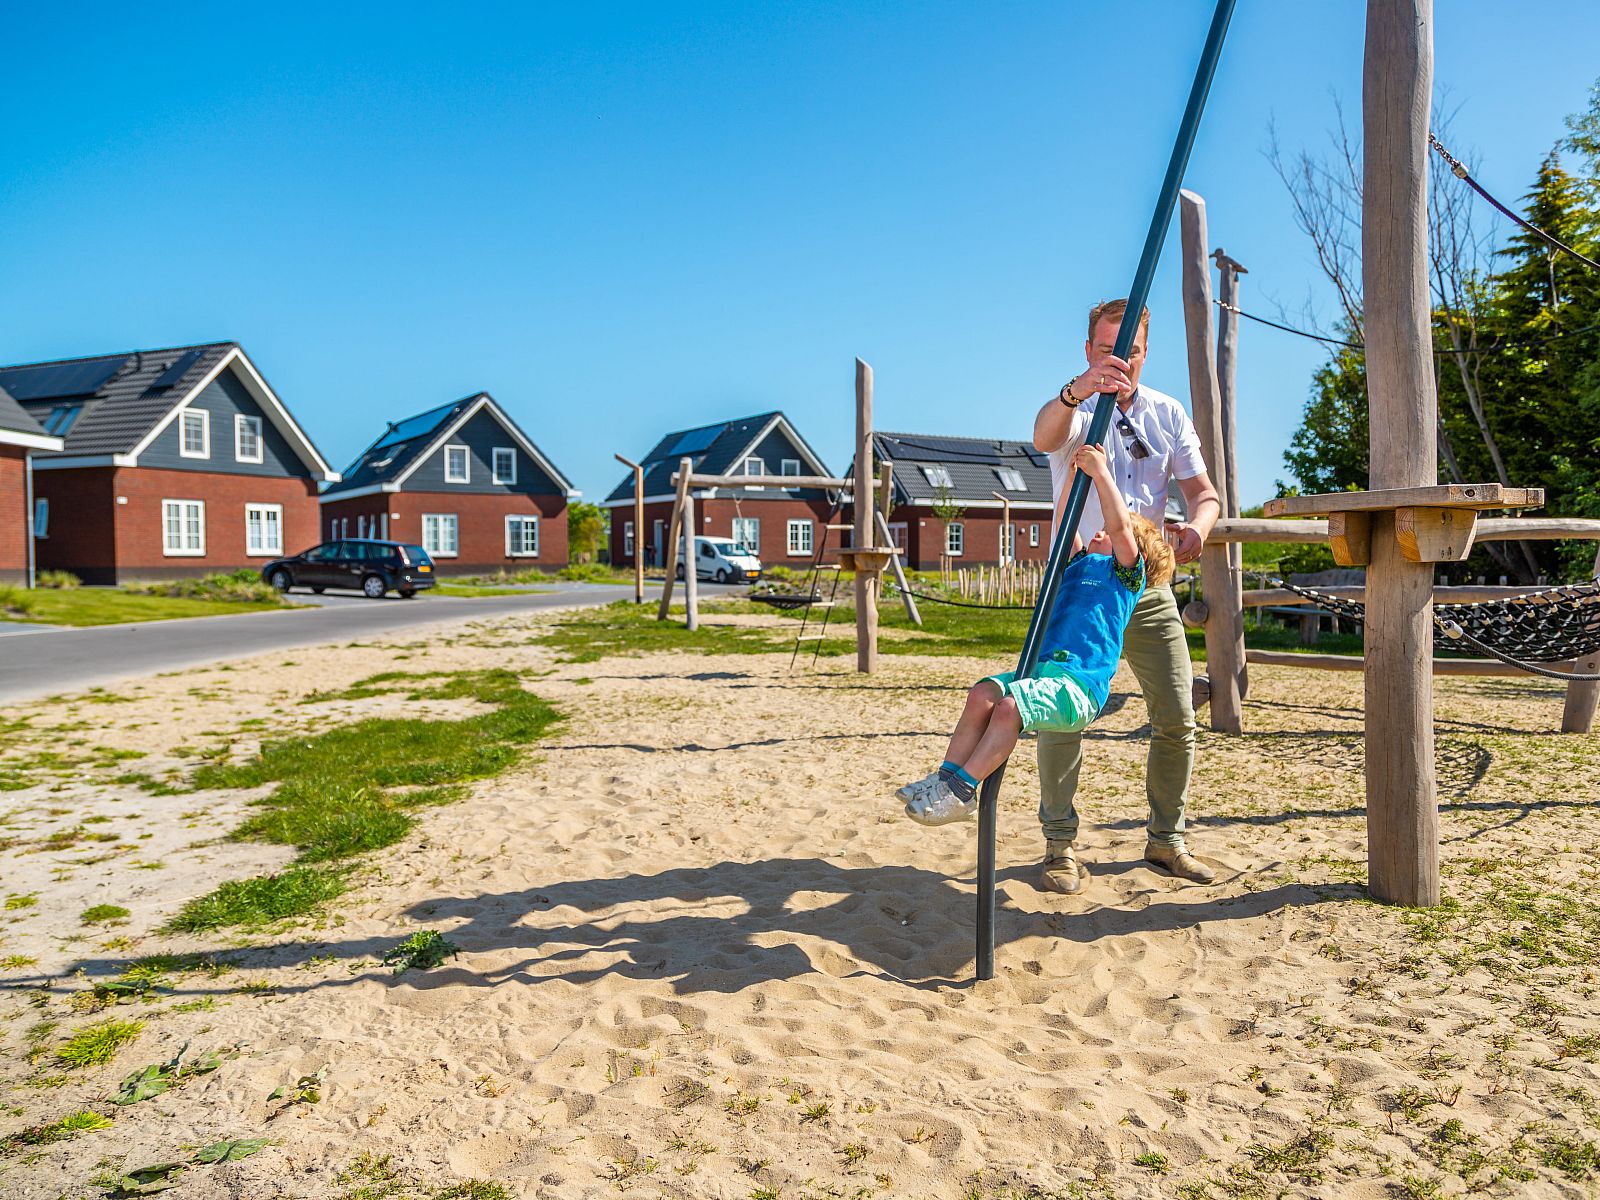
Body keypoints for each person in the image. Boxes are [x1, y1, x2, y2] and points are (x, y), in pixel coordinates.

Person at [1030, 297, 1223, 893]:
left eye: (1131, 351)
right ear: (1089, 350)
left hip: (1146, 585)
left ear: (1144, 353)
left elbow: (1205, 495)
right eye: (1107, 350)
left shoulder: (1168, 413)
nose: (1120, 362)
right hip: (1082, 584)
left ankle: (1166, 839)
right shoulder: (1076, 409)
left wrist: (1198, 529)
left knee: (1177, 716)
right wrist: (1076, 390)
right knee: (1061, 712)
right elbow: (1042, 437)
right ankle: (1060, 845)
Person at [899, 443, 1174, 827]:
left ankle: (962, 790)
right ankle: (945, 777)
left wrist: (1101, 473)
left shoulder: (1125, 578)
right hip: (1042, 672)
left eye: (1109, 530)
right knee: (982, 695)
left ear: (1133, 551)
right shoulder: (1076, 563)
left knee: (1009, 709)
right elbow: (1063, 521)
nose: (1099, 529)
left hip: (1078, 687)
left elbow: (1119, 527)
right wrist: (1072, 478)